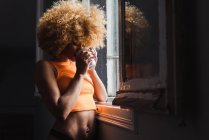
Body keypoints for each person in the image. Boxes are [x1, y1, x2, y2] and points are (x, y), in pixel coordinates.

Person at [35, 1, 107, 140]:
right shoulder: (45, 66)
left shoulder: (80, 65)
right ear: (60, 40)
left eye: (83, 42)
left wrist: (91, 68)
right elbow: (61, 112)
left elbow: (102, 97)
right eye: (75, 42)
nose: (81, 47)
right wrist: (80, 74)